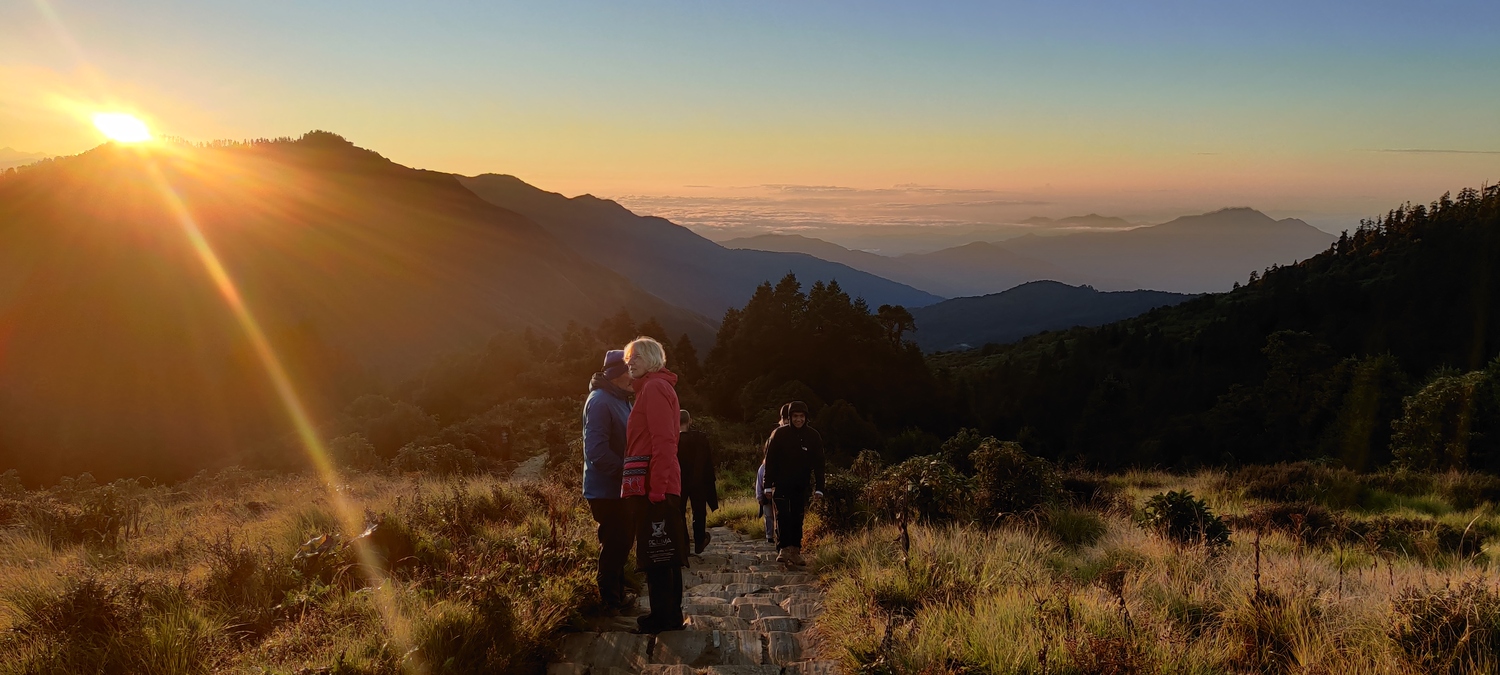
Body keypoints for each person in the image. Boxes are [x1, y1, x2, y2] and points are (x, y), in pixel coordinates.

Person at [620, 336, 688, 634]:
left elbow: (664, 440)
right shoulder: (652, 388)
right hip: (654, 482)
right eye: (627, 359)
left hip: (654, 485)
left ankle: (664, 617)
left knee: (658, 551)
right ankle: (668, 614)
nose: (629, 362)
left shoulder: (655, 388)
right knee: (664, 550)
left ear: (651, 358)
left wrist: (657, 488)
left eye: (635, 356)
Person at [581, 350, 633, 608]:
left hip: (618, 488)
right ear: (618, 374)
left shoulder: (620, 399)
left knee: (621, 541)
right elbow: (596, 451)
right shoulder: (601, 401)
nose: (633, 375)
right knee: (616, 542)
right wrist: (627, 472)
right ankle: (609, 601)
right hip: (606, 489)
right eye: (629, 370)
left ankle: (618, 596)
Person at [762, 400, 825, 566]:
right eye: (795, 416)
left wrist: (820, 488)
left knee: (798, 517)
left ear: (806, 417)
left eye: (801, 416)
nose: (798, 420)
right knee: (783, 515)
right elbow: (770, 461)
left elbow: (819, 464)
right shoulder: (779, 434)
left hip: (801, 484)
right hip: (780, 483)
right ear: (789, 417)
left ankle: (796, 550)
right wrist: (767, 485)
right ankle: (784, 548)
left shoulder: (813, 436)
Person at [677, 410, 719, 554]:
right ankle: (699, 540)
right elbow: (707, 462)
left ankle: (683, 544)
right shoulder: (701, 438)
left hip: (678, 482)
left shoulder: (673, 439)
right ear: (690, 421)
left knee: (679, 512)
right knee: (699, 511)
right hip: (698, 481)